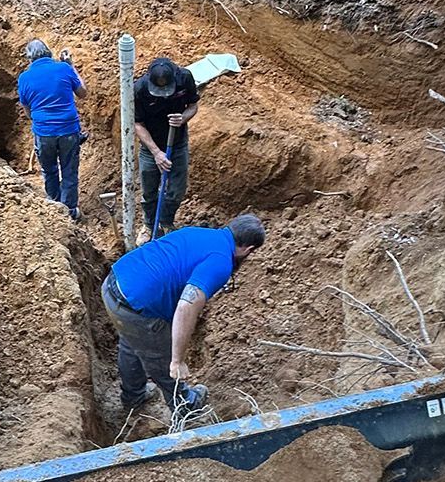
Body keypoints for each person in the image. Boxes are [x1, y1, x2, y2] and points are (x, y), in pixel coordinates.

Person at [100, 214, 266, 413]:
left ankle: (133, 397)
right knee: (160, 360)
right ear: (248, 250)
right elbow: (187, 305)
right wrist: (177, 360)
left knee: (131, 343)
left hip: (113, 284)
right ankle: (186, 407)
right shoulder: (221, 261)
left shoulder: (198, 232)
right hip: (135, 307)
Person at [16, 37, 85, 218]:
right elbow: (83, 93)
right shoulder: (63, 68)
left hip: (44, 132)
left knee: (49, 170)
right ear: (48, 52)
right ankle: (70, 211)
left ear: (29, 59)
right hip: (69, 130)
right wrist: (71, 65)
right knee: (69, 170)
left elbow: (28, 112)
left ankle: (55, 210)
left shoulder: (24, 78)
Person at [134, 54, 200, 237]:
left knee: (176, 190)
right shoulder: (139, 88)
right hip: (150, 146)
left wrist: (183, 117)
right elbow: (137, 124)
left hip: (177, 143)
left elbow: (193, 106)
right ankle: (149, 226)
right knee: (149, 191)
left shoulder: (185, 78)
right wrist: (156, 153)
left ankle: (166, 221)